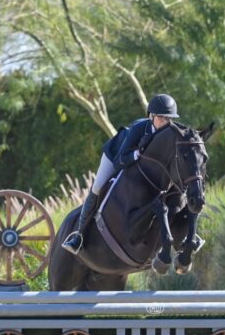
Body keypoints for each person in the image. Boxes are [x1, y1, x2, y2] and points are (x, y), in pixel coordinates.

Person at [61, 94, 180, 255]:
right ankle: (79, 236)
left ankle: (185, 234)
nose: (166, 123)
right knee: (97, 187)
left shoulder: (169, 132)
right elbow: (119, 161)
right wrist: (137, 154)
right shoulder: (139, 128)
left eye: (169, 119)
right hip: (116, 155)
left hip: (139, 167)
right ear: (151, 116)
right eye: (162, 118)